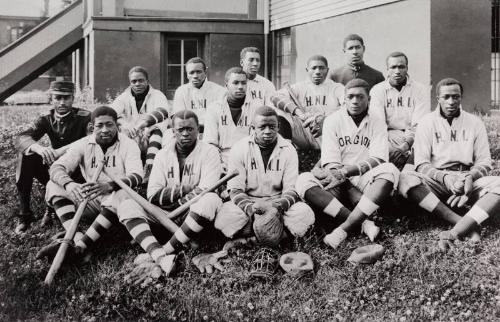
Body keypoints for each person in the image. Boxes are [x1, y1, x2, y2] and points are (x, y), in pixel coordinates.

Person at [117, 110, 223, 278]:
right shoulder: (162, 154)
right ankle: (159, 255)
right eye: (180, 129)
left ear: (198, 130)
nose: (185, 133)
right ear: (173, 131)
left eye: (190, 129)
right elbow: (152, 195)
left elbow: (206, 189)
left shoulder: (210, 152)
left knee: (210, 199)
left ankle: (164, 251)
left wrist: (172, 199)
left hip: (192, 214)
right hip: (163, 214)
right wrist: (186, 189)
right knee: (126, 206)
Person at [296, 79, 400, 249]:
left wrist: (347, 173)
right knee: (303, 181)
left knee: (390, 171)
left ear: (369, 100)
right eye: (350, 97)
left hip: (365, 177)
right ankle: (363, 223)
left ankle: (343, 229)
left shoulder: (377, 120)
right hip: (338, 179)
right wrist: (349, 187)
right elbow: (331, 162)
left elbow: (379, 159)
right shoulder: (333, 120)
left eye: (360, 97)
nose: (355, 101)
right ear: (344, 99)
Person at [398, 78, 500, 251]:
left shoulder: (474, 122)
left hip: (466, 178)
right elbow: (421, 163)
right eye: (446, 97)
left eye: (456, 97)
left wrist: (469, 177)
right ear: (438, 98)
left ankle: (455, 232)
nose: (451, 101)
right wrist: (445, 178)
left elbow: (484, 161)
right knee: (405, 179)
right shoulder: (427, 122)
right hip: (436, 179)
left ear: (461, 98)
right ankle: (460, 221)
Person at [36, 106, 143, 262]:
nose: (105, 130)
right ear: (92, 127)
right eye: (100, 125)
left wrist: (110, 186)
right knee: (53, 186)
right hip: (91, 198)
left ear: (117, 126)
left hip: (118, 200)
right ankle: (77, 236)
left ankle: (81, 247)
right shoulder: (84, 143)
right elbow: (56, 167)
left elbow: (137, 176)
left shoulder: (128, 144)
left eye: (110, 124)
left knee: (122, 194)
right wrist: (69, 185)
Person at [214, 106, 315, 261]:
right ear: (252, 128)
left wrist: (277, 209)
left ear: (278, 127)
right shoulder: (239, 148)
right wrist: (250, 209)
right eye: (262, 127)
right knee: (226, 217)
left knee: (304, 213)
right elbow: (235, 190)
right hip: (250, 202)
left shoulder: (288, 149)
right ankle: (278, 238)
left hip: (277, 202)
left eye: (272, 126)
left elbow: (292, 189)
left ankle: (251, 240)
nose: (267, 131)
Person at [15, 81, 91, 234]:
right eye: (58, 98)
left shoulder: (85, 117)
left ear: (73, 98)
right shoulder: (46, 118)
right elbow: (21, 138)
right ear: (51, 99)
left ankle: (52, 207)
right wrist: (39, 148)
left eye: (66, 98)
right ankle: (25, 215)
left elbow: (91, 139)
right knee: (26, 155)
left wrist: (59, 152)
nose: (62, 102)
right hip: (55, 170)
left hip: (80, 172)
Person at [369, 52, 430, 169]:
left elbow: (419, 124)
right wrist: (391, 148)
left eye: (401, 67)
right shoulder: (378, 90)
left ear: (407, 68)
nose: (397, 71)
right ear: (387, 69)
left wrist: (407, 144)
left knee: (424, 146)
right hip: (388, 135)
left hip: (412, 136)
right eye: (393, 67)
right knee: (380, 150)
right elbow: (378, 125)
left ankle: (409, 172)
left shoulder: (420, 89)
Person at [272, 55, 344, 150]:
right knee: (278, 111)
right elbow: (275, 97)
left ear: (327, 70)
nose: (317, 72)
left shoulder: (336, 87)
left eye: (321, 68)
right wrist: (299, 113)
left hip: (327, 132)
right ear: (307, 70)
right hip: (304, 132)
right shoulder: (300, 87)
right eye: (313, 68)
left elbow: (348, 105)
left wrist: (325, 119)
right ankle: (286, 150)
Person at [111, 66, 170, 179]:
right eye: (134, 81)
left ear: (147, 81)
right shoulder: (124, 97)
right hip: (133, 133)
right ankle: (124, 174)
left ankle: (150, 170)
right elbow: (111, 112)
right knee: (121, 136)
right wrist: (124, 124)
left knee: (157, 131)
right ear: (130, 83)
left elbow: (163, 112)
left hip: (152, 133)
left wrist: (144, 124)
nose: (137, 84)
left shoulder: (157, 94)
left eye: (141, 80)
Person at [172, 57, 226, 134]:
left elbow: (222, 118)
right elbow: (179, 117)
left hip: (213, 131)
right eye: (191, 72)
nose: (195, 76)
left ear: (205, 72)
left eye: (199, 72)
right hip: (189, 132)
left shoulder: (219, 91)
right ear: (187, 75)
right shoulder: (181, 91)